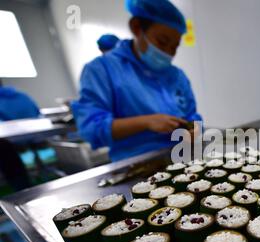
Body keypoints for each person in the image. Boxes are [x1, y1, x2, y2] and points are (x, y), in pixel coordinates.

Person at [72, 0, 202, 162]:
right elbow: (91, 128)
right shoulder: (102, 70)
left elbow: (192, 115)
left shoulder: (176, 76)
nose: (168, 52)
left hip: (182, 160)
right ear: (136, 27)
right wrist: (146, 122)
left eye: (174, 47)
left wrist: (194, 129)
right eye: (162, 42)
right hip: (134, 166)